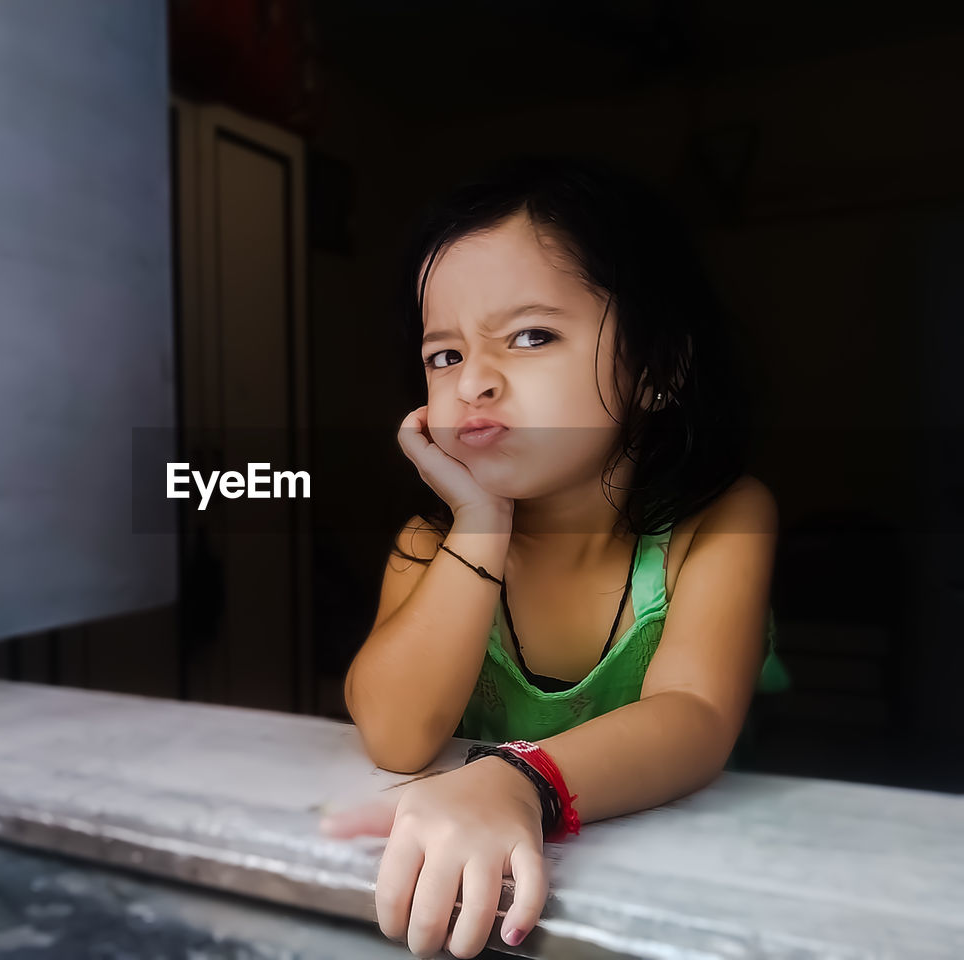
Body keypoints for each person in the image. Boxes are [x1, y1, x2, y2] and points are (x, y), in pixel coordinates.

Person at [317, 154, 790, 958]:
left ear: (658, 370)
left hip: (694, 907)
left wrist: (515, 780)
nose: (474, 384)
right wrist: (478, 521)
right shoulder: (429, 545)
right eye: (445, 355)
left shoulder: (720, 521)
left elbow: (697, 717)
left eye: (531, 336)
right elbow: (396, 739)